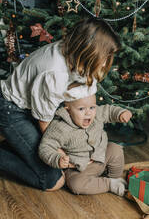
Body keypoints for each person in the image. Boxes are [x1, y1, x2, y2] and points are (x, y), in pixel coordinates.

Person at [0, 17, 121, 191]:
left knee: (46, 157)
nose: (104, 62)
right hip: (12, 110)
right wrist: (63, 154)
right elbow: (45, 122)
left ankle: (17, 143)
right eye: (104, 56)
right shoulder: (55, 72)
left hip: (34, 108)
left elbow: (84, 103)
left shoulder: (76, 55)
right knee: (53, 181)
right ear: (89, 51)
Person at [39, 94, 132, 196]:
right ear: (68, 111)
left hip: (101, 157)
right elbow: (45, 147)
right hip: (78, 169)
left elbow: (108, 111)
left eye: (92, 107)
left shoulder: (96, 114)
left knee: (115, 149)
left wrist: (120, 113)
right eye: (81, 109)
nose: (88, 113)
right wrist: (57, 159)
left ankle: (115, 178)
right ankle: (109, 184)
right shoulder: (60, 127)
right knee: (76, 184)